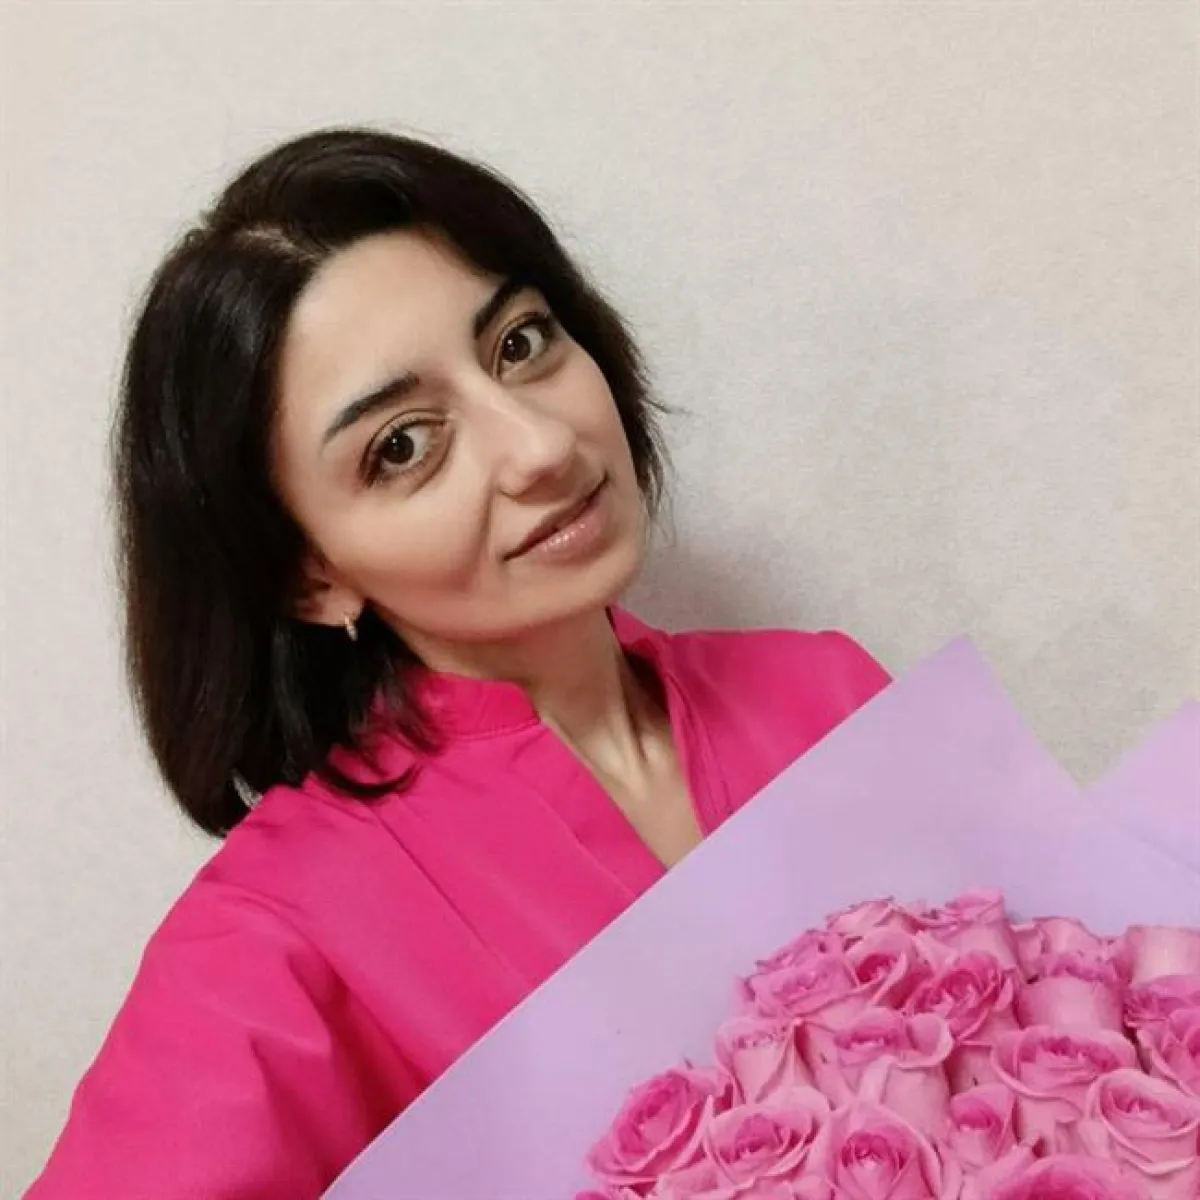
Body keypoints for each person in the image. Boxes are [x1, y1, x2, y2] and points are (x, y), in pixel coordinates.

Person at [27, 127, 890, 1198]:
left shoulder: (830, 698)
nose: (541, 447)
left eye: (520, 344)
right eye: (402, 446)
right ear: (310, 576)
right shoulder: (284, 933)